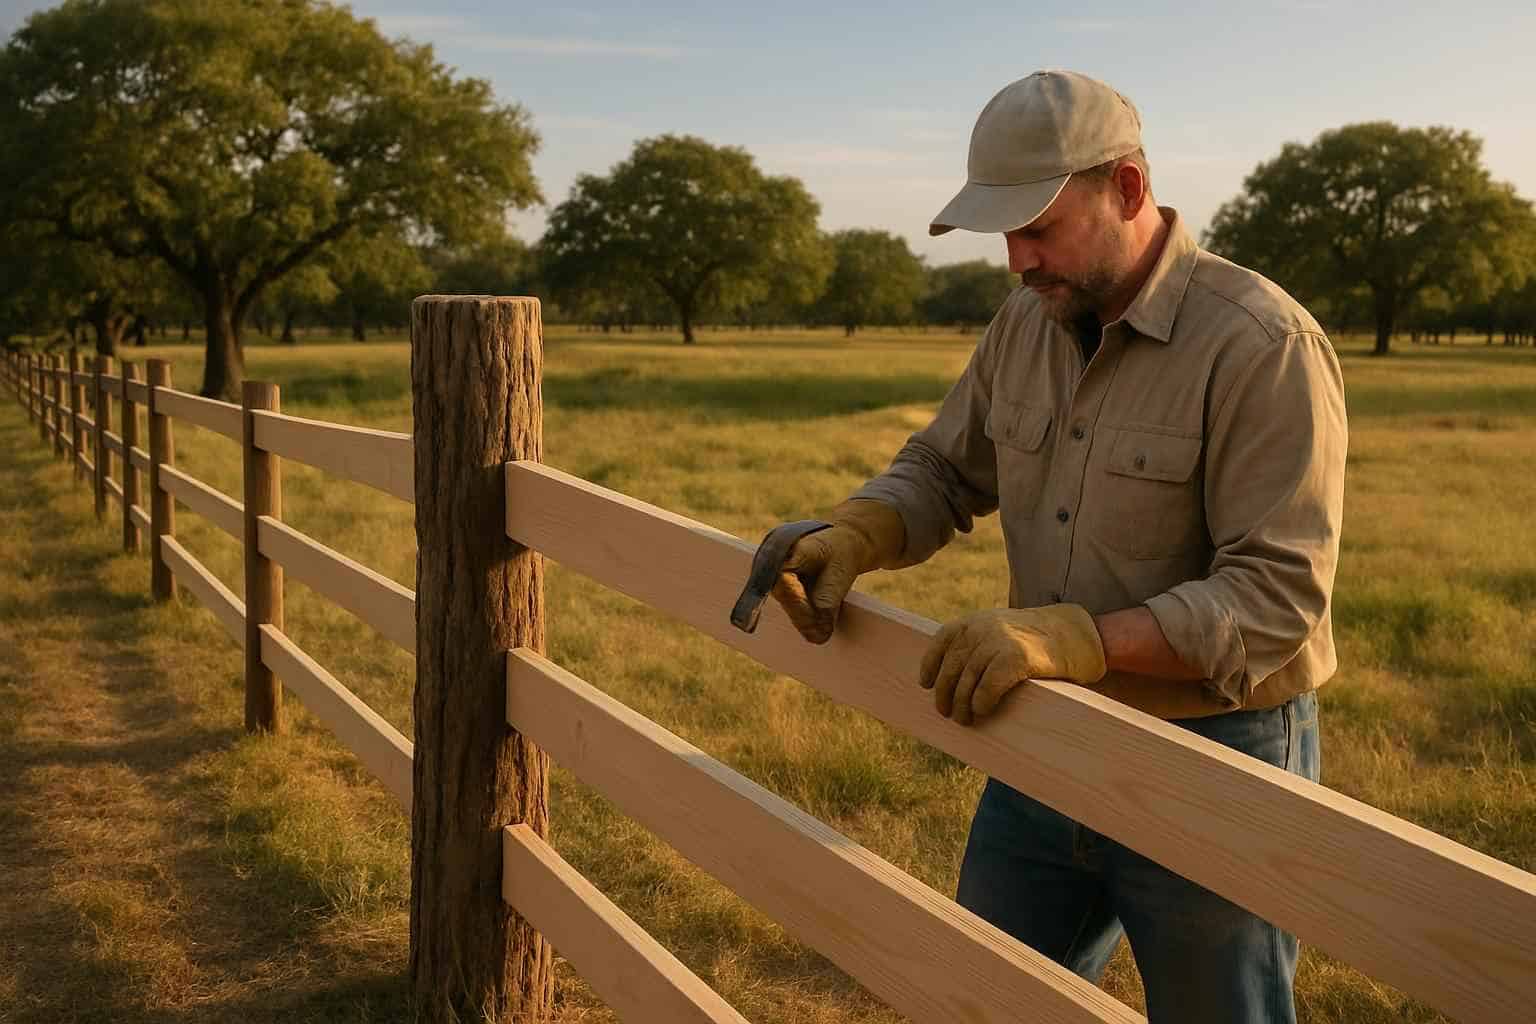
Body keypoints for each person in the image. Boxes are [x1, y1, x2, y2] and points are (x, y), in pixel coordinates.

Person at [769, 70, 1348, 1024]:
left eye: (1038, 228)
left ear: (1126, 190)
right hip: (1042, 732)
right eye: (1004, 234)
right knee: (981, 997)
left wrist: (1081, 641)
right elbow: (945, 468)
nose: (1017, 260)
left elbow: (1277, 600)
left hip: (1216, 754)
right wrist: (860, 529)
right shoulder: (1026, 322)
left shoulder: (1261, 345)